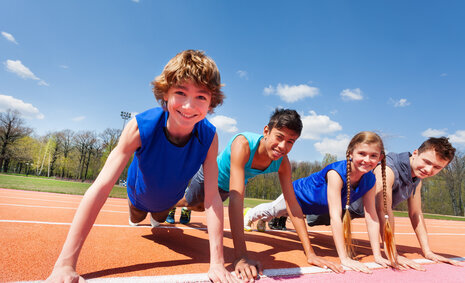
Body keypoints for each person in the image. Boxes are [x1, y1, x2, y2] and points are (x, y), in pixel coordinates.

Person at [46, 50, 238, 283]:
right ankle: (135, 211)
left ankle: (162, 215)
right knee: (137, 219)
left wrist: (217, 264)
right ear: (165, 94)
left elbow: (212, 199)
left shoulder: (209, 136)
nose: (189, 106)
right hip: (138, 196)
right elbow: (101, 187)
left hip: (168, 201)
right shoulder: (140, 127)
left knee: (159, 219)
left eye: (201, 97)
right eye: (180, 92)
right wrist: (65, 264)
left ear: (212, 102)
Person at [174, 108, 341, 281]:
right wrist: (241, 256)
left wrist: (311, 253)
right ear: (266, 131)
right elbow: (237, 197)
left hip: (225, 188)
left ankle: (184, 205)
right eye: (279, 137)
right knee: (190, 202)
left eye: (291, 141)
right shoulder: (243, 143)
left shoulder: (283, 163)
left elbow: (293, 205)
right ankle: (173, 203)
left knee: (200, 209)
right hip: (210, 178)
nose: (283, 147)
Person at [244, 131, 394, 273]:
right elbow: (335, 216)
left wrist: (378, 255)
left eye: (373, 156)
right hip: (298, 195)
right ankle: (251, 214)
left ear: (380, 158)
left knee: (274, 213)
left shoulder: (371, 180)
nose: (367, 160)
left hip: (315, 207)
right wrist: (344, 258)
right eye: (362, 154)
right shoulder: (336, 173)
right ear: (350, 154)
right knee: (273, 210)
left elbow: (371, 216)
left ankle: (264, 219)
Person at [371, 137, 461, 270]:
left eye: (437, 167)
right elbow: (383, 209)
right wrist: (391, 251)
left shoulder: (417, 178)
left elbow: (415, 213)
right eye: (426, 161)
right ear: (415, 153)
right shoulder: (387, 168)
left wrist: (427, 251)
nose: (428, 169)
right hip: (332, 208)